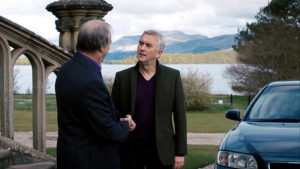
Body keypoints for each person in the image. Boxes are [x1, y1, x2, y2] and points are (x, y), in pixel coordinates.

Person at [55, 19, 131, 169]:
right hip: (89, 160)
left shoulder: (67, 69)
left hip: (70, 154)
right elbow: (109, 131)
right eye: (109, 42)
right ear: (102, 47)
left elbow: (88, 114)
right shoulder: (90, 81)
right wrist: (125, 125)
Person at [111, 30, 187, 169]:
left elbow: (180, 117)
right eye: (140, 43)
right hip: (130, 150)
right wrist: (122, 119)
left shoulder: (173, 77)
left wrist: (180, 153)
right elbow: (111, 114)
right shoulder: (122, 77)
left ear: (159, 53)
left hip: (161, 150)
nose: (142, 48)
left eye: (148, 45)